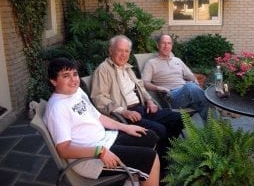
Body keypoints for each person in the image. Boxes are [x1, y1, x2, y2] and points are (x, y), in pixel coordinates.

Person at [44, 57, 160, 186]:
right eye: (66, 76)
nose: (73, 80)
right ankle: (139, 172)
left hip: (105, 140)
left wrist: (125, 127)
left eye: (75, 74)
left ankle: (132, 178)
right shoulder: (57, 108)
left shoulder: (77, 92)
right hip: (89, 160)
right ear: (53, 81)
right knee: (150, 159)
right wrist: (100, 151)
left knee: (149, 136)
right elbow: (64, 149)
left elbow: (97, 116)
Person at [90, 35, 183, 174]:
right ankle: (160, 168)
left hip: (142, 108)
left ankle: (166, 153)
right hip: (126, 115)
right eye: (120, 50)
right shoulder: (103, 70)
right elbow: (99, 97)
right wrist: (123, 111)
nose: (123, 55)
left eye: (126, 51)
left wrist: (149, 100)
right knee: (160, 130)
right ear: (111, 51)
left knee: (177, 118)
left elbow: (140, 86)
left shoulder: (127, 68)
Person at [142, 34, 209, 121]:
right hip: (172, 97)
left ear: (171, 46)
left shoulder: (177, 60)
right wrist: (157, 87)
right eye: (163, 43)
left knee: (203, 102)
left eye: (169, 43)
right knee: (201, 94)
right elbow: (144, 82)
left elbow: (189, 75)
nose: (166, 46)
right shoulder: (151, 63)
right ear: (158, 45)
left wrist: (194, 80)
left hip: (188, 93)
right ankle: (217, 128)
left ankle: (213, 129)